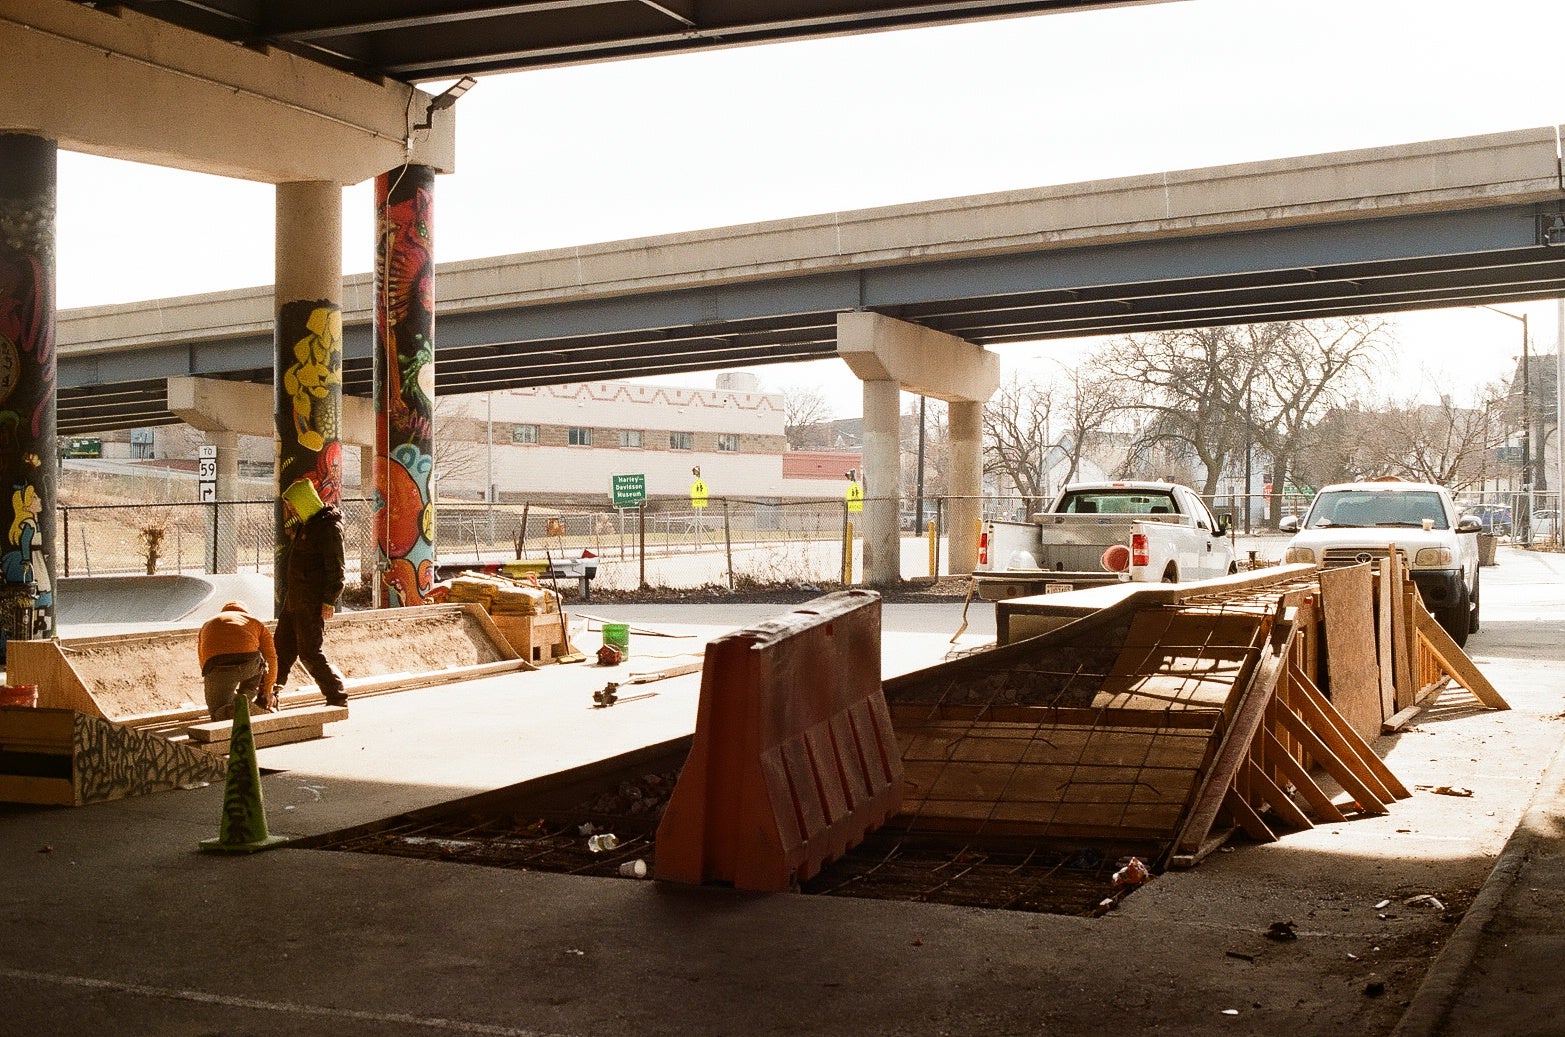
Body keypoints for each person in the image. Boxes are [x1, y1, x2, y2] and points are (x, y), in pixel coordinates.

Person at [275, 477, 348, 708]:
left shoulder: (328, 528)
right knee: (281, 650)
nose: (290, 509)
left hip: (311, 601)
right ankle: (268, 694)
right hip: (295, 599)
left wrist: (329, 601)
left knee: (309, 652)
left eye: (292, 504)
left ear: (304, 501)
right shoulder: (306, 525)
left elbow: (336, 568)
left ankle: (336, 696)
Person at [197, 600, 278, 721]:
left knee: (217, 711)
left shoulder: (208, 623)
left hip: (218, 665)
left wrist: (213, 681)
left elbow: (203, 656)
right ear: (245, 612)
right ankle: (244, 703)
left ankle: (229, 710)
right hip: (250, 664)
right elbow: (271, 657)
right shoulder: (254, 621)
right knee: (258, 664)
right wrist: (268, 689)